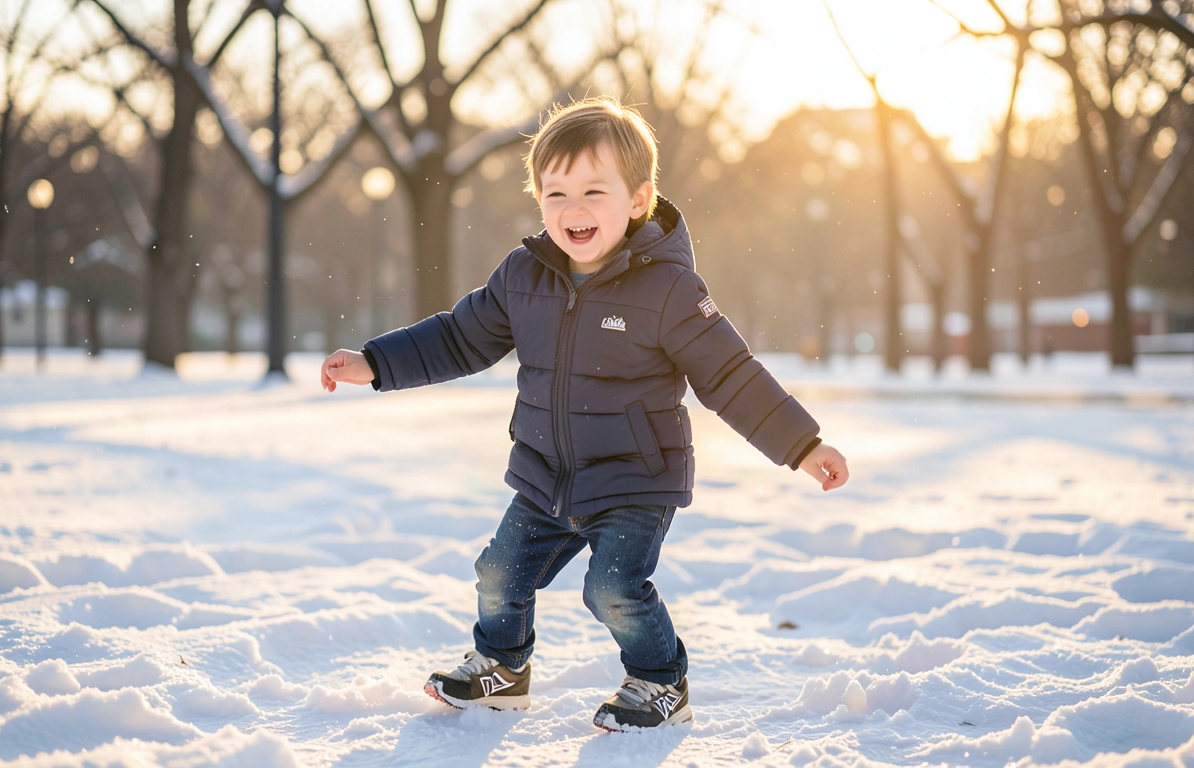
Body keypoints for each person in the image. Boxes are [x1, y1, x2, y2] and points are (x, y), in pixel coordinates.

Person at [319, 97, 849, 731]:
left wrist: (802, 445)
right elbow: (459, 338)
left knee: (613, 590)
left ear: (638, 199)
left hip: (634, 480)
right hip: (548, 475)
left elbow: (730, 376)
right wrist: (375, 363)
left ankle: (660, 682)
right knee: (498, 573)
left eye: (594, 191)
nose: (572, 209)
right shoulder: (524, 276)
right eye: (555, 192)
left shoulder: (669, 290)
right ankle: (502, 668)